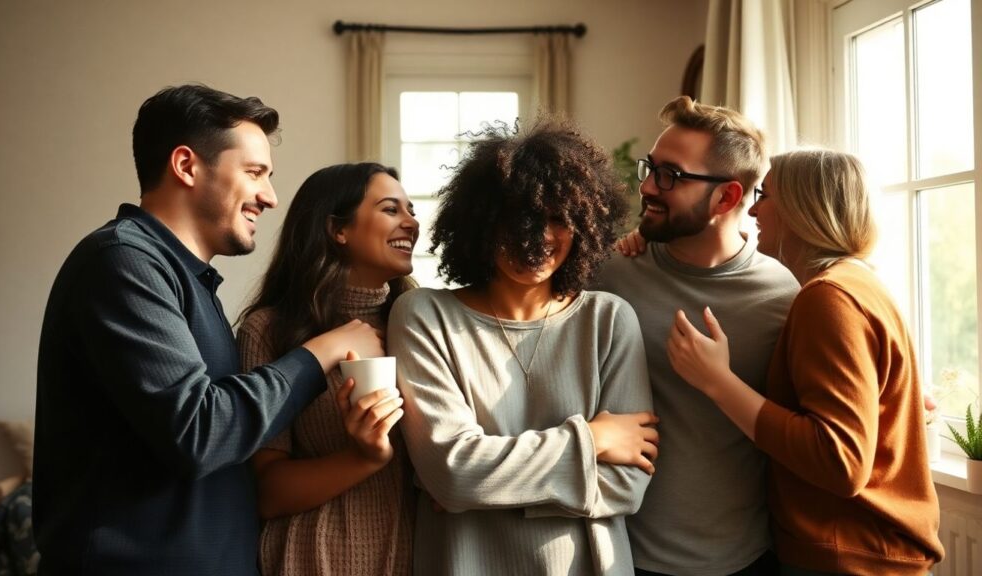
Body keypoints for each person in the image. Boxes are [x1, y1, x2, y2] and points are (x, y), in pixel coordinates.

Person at [32, 84, 382, 575]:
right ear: (186, 165)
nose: (271, 196)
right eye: (255, 172)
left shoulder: (187, 280)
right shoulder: (122, 263)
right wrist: (324, 351)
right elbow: (201, 431)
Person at [389, 118, 659, 576]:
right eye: (518, 218)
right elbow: (454, 475)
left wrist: (481, 487)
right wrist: (591, 440)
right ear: (480, 223)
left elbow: (628, 484)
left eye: (558, 218)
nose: (538, 237)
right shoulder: (423, 315)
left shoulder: (609, 320)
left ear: (585, 224)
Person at [666, 149, 944, 574]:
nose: (754, 209)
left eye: (767, 195)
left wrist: (717, 381)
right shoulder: (858, 282)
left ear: (802, 209)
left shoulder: (828, 298)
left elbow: (841, 463)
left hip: (846, 559)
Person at [594, 96, 800, 575]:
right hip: (624, 555)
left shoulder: (783, 296)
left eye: (670, 175)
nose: (646, 185)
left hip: (748, 559)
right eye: (651, 168)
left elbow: (813, 417)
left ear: (727, 197)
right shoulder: (611, 272)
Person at [236, 163, 417, 575]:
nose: (412, 221)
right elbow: (267, 491)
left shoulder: (419, 325)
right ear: (339, 229)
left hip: (417, 555)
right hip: (315, 559)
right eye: (391, 209)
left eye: (410, 210)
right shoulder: (270, 330)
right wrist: (364, 457)